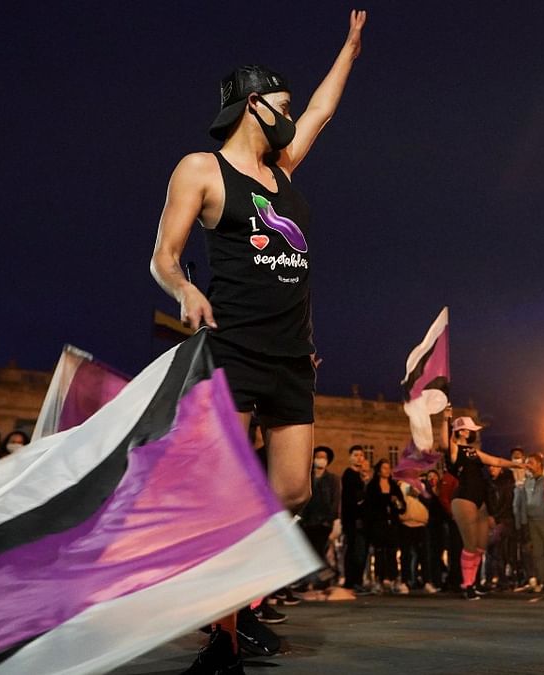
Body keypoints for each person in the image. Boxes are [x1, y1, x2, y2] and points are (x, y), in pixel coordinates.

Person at [149, 11, 368, 673]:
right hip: (234, 348)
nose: (290, 114)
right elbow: (163, 255)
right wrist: (185, 289)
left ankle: (236, 604)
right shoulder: (203, 169)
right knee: (229, 490)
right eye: (283, 104)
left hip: (292, 354)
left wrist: (350, 49)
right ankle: (225, 632)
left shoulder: (284, 168)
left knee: (293, 489)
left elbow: (325, 112)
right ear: (253, 104)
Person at [441, 407, 521, 599]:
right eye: (468, 429)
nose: (471, 431)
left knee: (480, 546)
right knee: (469, 545)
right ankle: (467, 585)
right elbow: (444, 441)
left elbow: (496, 461)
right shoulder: (454, 449)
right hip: (464, 498)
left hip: (480, 500)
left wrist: (519, 464)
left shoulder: (473, 451)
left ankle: (472, 582)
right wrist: (446, 419)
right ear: (461, 431)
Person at [514, 453, 544, 591]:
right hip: (531, 521)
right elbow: (524, 503)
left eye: (531, 462)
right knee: (537, 553)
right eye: (527, 462)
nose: (528, 465)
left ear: (539, 464)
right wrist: (524, 521)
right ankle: (542, 580)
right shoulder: (527, 482)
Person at [299, 446, 341, 583]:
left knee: (318, 550)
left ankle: (321, 578)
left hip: (324, 522)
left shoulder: (333, 479)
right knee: (309, 551)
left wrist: (332, 518)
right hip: (307, 521)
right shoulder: (306, 477)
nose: (320, 460)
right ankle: (317, 579)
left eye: (323, 457)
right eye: (318, 457)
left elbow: (335, 500)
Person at [364, 459, 405, 593]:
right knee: (379, 552)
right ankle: (378, 579)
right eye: (384, 468)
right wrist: (387, 500)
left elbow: (402, 504)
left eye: (389, 467)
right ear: (379, 470)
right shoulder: (373, 485)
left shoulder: (394, 485)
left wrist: (397, 503)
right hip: (378, 523)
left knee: (392, 552)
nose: (387, 470)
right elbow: (371, 503)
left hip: (392, 523)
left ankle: (393, 579)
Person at [340, 445, 370, 592]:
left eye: (361, 455)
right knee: (353, 550)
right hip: (352, 519)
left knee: (361, 551)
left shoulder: (363, 476)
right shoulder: (349, 474)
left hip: (364, 520)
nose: (359, 458)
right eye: (356, 455)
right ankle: (351, 581)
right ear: (350, 457)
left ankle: (357, 580)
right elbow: (353, 498)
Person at [398, 478, 433, 593]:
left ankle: (426, 581)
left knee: (424, 554)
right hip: (406, 523)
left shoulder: (423, 485)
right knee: (406, 555)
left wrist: (420, 494)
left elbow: (429, 501)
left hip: (421, 524)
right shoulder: (402, 484)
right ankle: (405, 581)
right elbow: (398, 503)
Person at [422, 469, 450, 590]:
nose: (432, 478)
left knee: (440, 553)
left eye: (434, 476)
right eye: (429, 476)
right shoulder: (426, 492)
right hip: (429, 526)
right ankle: (435, 580)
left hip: (441, 525)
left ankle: (443, 578)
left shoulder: (442, 491)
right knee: (432, 554)